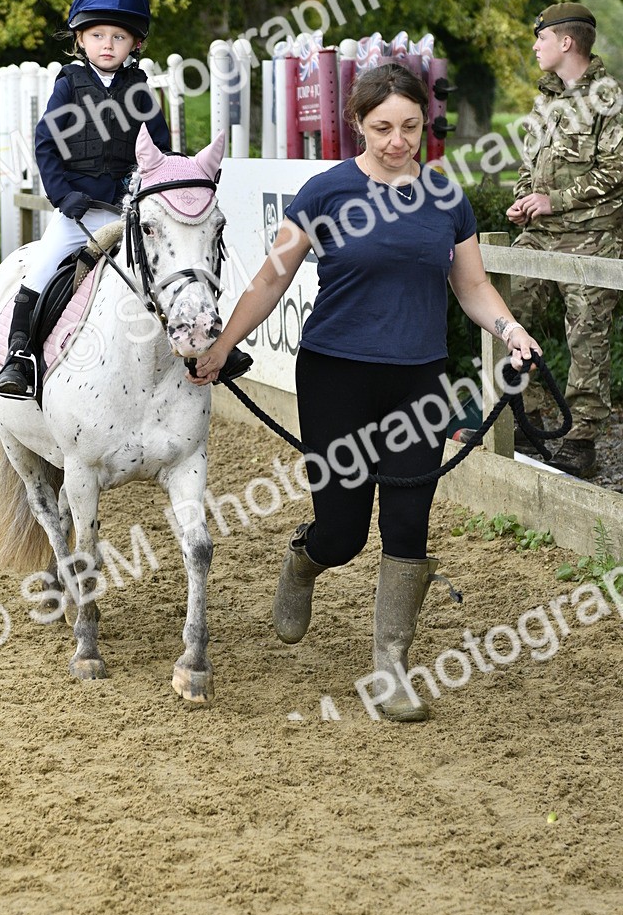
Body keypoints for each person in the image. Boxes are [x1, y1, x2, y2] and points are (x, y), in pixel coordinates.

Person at [189, 62, 540, 722]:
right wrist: (219, 347)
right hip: (335, 374)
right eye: (382, 127)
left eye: (409, 127)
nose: (397, 140)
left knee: (408, 524)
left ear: (424, 126)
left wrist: (511, 329)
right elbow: (269, 281)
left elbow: (472, 287)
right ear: (357, 124)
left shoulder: (445, 198)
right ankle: (305, 559)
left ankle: (391, 671)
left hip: (419, 379)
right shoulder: (325, 193)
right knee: (345, 532)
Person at [0, 0, 172, 396]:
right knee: (41, 269)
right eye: (97, 35)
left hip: (131, 206)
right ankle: (19, 358)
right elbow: (45, 146)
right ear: (80, 39)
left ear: (135, 43)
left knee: (179, 262)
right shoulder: (68, 86)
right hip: (80, 208)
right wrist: (62, 194)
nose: (107, 45)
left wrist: (150, 186)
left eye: (118, 37)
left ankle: (203, 346)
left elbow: (159, 149)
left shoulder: (141, 90)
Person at [506, 3, 623, 478]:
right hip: (538, 238)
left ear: (566, 42)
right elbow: (526, 166)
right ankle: (526, 418)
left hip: (591, 240)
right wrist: (522, 199)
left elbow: (616, 170)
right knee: (503, 315)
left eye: (541, 39)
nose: (535, 46)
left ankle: (581, 439)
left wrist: (555, 199)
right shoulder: (546, 99)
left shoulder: (608, 98)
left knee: (587, 339)